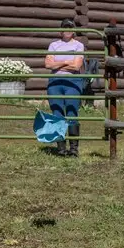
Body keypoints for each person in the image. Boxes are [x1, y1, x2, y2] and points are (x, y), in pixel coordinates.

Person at [45, 18, 86, 157]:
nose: (67, 30)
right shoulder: (53, 45)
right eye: (65, 28)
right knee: (57, 114)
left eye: (70, 27)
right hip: (55, 82)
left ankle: (73, 149)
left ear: (73, 30)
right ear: (61, 31)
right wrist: (67, 61)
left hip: (73, 81)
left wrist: (58, 62)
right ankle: (61, 149)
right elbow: (48, 65)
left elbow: (76, 66)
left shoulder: (79, 45)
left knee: (71, 113)